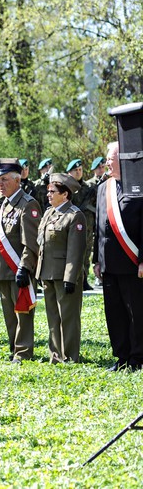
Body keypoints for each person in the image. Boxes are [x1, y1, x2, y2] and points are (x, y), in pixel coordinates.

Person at [93, 141, 143, 371]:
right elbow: (98, 226)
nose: (107, 162)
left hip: (131, 262)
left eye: (111, 158)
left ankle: (137, 357)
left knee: (135, 312)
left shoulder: (138, 184)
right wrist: (96, 259)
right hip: (108, 262)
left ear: (122, 159)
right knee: (114, 312)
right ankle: (121, 357)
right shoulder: (104, 188)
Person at [0, 158, 41, 363]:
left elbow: (32, 242)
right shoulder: (3, 204)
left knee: (22, 312)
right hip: (2, 269)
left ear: (17, 180)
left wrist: (25, 267)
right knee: (9, 315)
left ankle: (23, 352)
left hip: (19, 268)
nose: (0, 184)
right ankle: (14, 349)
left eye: (4, 180)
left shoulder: (28, 204)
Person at [36, 173, 87, 363]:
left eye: (52, 191)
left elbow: (76, 251)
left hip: (64, 275)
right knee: (53, 317)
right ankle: (56, 355)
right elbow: (42, 244)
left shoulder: (75, 215)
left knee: (68, 317)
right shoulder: (49, 212)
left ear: (65, 194)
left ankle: (70, 356)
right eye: (48, 191)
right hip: (48, 272)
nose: (48, 195)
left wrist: (70, 278)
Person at [67, 158, 97, 290]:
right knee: (73, 253)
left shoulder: (89, 187)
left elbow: (96, 206)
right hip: (71, 227)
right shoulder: (66, 188)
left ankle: (85, 279)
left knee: (86, 252)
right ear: (69, 173)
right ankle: (73, 278)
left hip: (88, 226)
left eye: (80, 170)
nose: (78, 172)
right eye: (75, 170)